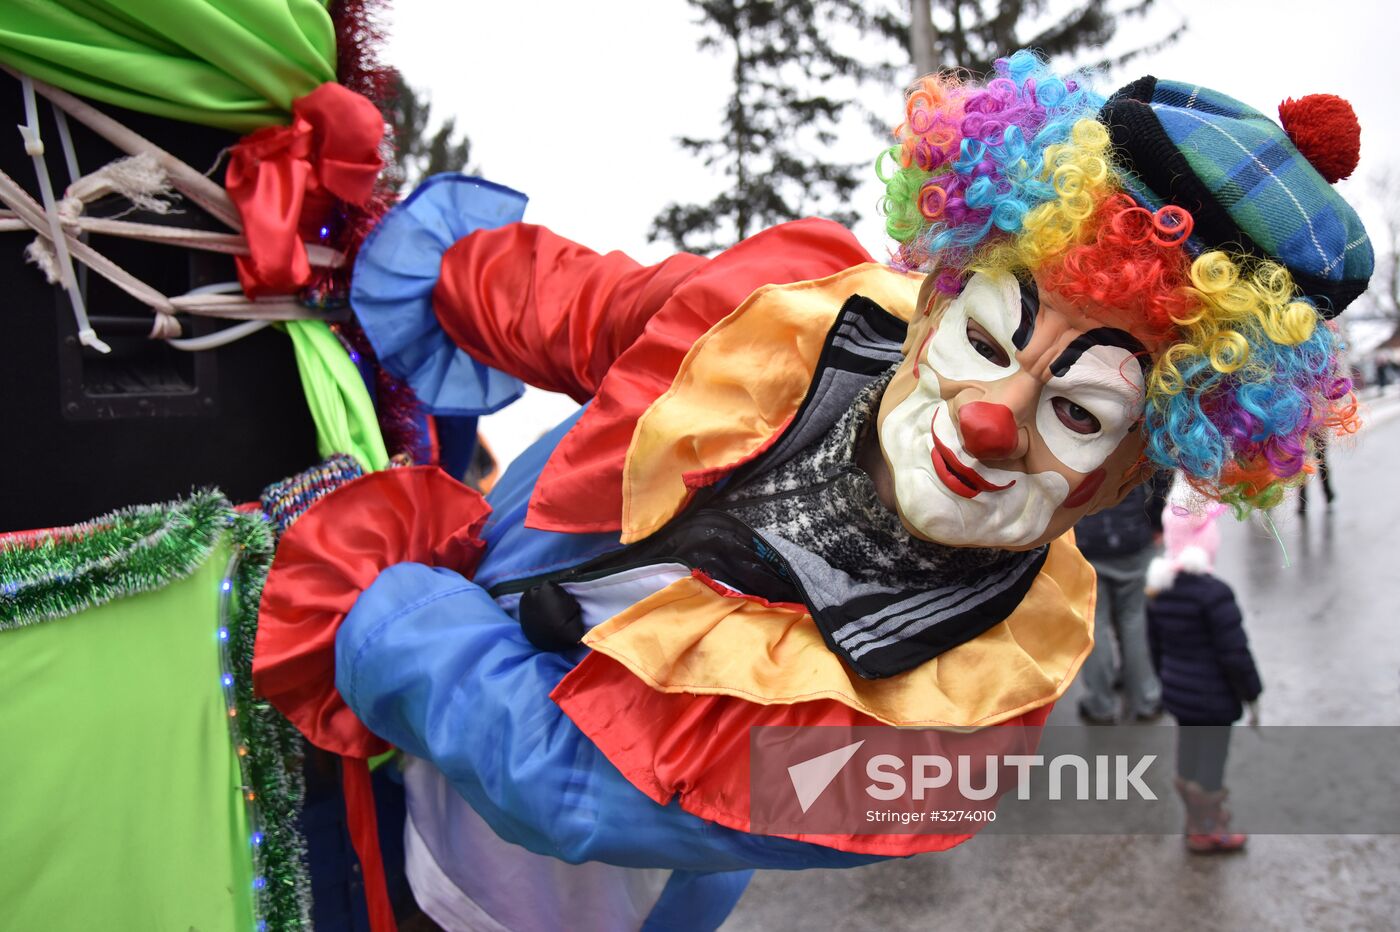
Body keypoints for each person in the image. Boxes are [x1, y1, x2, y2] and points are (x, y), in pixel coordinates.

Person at [252, 51, 1372, 930]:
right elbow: (572, 303)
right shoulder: (790, 309)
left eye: (1077, 414)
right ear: (934, 297)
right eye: (985, 337)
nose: (991, 418)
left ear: (1132, 469)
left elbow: (558, 783)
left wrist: (382, 606)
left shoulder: (953, 733)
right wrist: (390, 253)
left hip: (503, 885)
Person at [1146, 491, 1263, 853]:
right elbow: (1234, 652)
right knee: (1211, 764)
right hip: (1214, 699)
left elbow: (1155, 648)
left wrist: (1167, 682)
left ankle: (1194, 818)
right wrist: (1251, 692)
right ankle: (1205, 827)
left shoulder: (1158, 593)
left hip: (1181, 694)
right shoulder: (1214, 594)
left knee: (1190, 754)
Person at [1074, 472, 1171, 724]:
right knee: (1134, 620)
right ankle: (1146, 700)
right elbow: (1163, 473)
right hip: (1133, 536)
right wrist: (1157, 521)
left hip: (1084, 539)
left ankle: (1100, 704)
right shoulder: (1132, 430)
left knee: (1094, 624)